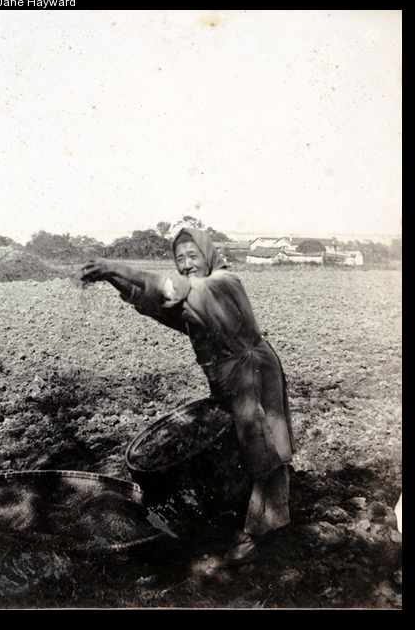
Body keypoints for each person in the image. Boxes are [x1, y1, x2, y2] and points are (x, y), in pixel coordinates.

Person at [81, 228, 295, 566]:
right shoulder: (197, 297)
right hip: (230, 380)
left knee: (258, 446)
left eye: (193, 256)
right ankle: (251, 521)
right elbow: (158, 304)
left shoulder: (223, 283)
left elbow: (171, 289)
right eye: (179, 259)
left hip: (251, 376)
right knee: (236, 447)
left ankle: (252, 538)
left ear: (207, 255)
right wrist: (112, 278)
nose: (186, 264)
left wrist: (116, 266)